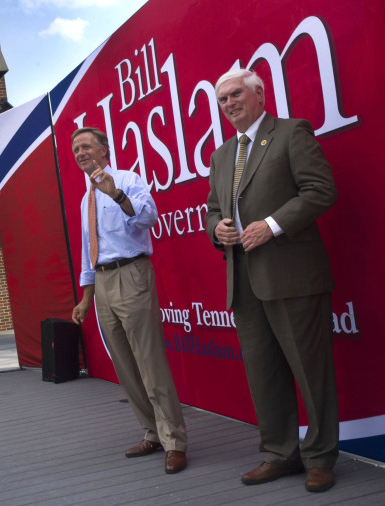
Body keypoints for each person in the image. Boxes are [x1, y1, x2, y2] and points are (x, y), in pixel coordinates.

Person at [205, 69, 338, 493]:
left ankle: (320, 457)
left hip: (292, 273)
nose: (229, 103)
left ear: (259, 94)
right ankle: (282, 454)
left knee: (310, 370)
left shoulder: (290, 132)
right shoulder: (222, 154)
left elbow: (320, 190)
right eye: (223, 99)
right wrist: (217, 230)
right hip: (242, 279)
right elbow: (211, 209)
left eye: (236, 94)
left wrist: (272, 225)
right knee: (264, 373)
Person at [70, 127, 188, 474]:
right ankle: (152, 432)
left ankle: (175, 441)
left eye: (86, 146)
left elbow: (149, 218)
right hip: (103, 282)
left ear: (104, 151)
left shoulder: (128, 179)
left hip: (131, 275)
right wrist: (85, 297)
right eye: (76, 149)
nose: (80, 153)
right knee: (125, 365)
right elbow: (88, 251)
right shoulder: (84, 198)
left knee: (150, 363)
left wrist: (118, 195)